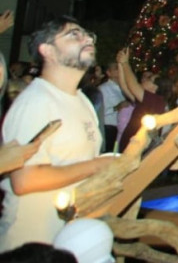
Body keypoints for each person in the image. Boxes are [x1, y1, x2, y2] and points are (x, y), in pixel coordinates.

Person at [0, 16, 115, 250]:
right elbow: (24, 180)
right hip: (32, 245)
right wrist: (97, 165)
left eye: (87, 35)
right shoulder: (35, 102)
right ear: (47, 51)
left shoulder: (83, 101)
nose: (87, 39)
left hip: (70, 239)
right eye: (74, 34)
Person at [115, 49, 169, 153]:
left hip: (139, 151)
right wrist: (120, 64)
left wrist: (125, 63)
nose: (145, 80)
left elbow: (133, 84)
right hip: (128, 148)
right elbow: (125, 86)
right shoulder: (144, 98)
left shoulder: (155, 101)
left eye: (150, 79)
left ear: (155, 88)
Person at [98, 62, 126, 153]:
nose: (119, 70)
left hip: (121, 128)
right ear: (108, 73)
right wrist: (116, 108)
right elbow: (100, 112)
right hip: (109, 128)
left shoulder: (124, 88)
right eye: (116, 68)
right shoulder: (103, 89)